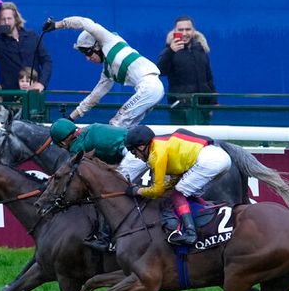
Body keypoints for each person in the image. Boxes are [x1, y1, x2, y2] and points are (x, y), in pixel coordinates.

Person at [42, 16, 164, 128]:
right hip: (150, 89)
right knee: (126, 130)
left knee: (115, 124)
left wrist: (57, 25)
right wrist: (70, 118)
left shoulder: (109, 41)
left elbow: (84, 22)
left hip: (149, 87)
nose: (88, 58)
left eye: (88, 52)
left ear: (97, 46)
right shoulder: (108, 72)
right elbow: (93, 97)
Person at [123, 124, 232, 246]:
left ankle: (191, 233)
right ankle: (207, 211)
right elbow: (175, 178)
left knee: (178, 192)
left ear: (142, 147)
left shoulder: (156, 154)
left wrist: (137, 191)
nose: (135, 156)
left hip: (209, 161)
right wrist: (166, 188)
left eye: (133, 151)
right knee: (189, 192)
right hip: (223, 158)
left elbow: (157, 190)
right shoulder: (161, 144)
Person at [49, 118, 146, 251]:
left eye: (60, 146)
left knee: (110, 194)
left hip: (134, 154)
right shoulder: (88, 129)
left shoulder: (77, 146)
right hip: (136, 147)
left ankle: (106, 240)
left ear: (63, 141)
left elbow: (73, 171)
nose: (63, 148)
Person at [157, 16, 217, 126]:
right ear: (175, 31)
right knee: (182, 140)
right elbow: (160, 71)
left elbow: (208, 77)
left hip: (202, 107)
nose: (184, 33)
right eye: (181, 30)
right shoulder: (169, 50)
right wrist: (171, 51)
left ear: (193, 31)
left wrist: (213, 102)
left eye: (188, 29)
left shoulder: (201, 49)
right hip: (180, 109)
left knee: (203, 139)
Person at [0, 2, 51, 92]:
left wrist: (42, 83)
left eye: (9, 18)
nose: (6, 22)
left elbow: (46, 61)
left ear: (16, 19)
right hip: (11, 95)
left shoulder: (32, 37)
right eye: (3, 19)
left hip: (34, 93)